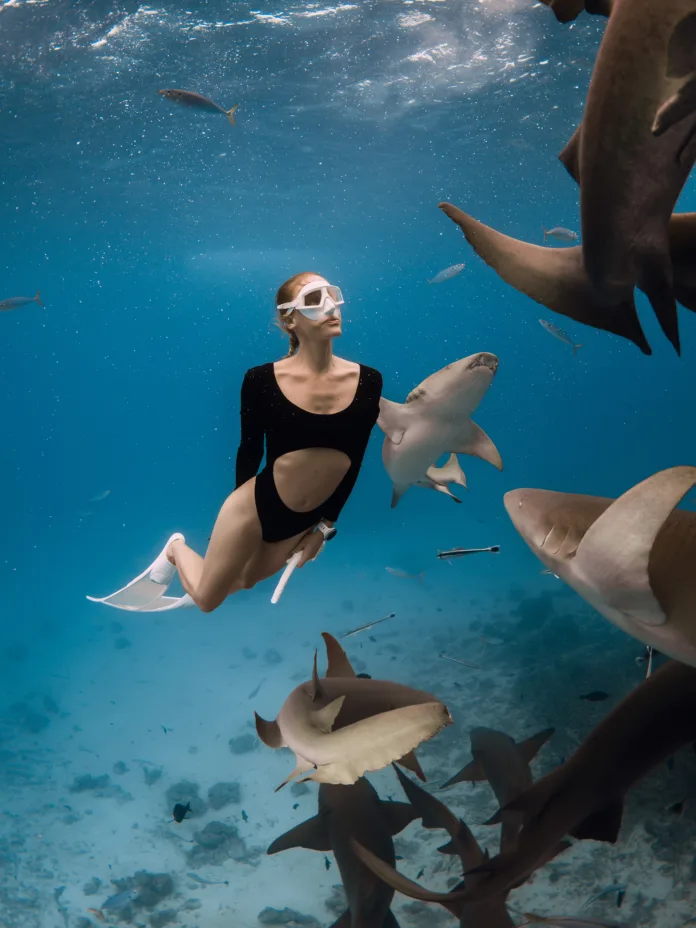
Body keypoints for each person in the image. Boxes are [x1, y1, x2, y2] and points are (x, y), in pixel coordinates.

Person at [95, 273, 383, 613]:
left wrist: (324, 528)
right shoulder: (260, 379)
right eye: (314, 299)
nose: (331, 307)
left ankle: (208, 571)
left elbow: (355, 457)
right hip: (256, 506)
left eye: (333, 295)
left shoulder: (368, 380)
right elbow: (249, 450)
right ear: (290, 318)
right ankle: (175, 550)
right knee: (207, 600)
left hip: (307, 516)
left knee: (243, 581)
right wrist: (235, 529)